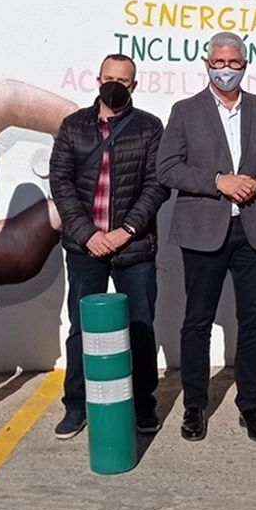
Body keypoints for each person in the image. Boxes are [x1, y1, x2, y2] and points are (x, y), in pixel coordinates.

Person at [158, 32, 256, 442]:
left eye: (234, 62)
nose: (226, 69)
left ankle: (251, 406)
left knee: (254, 322)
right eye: (219, 62)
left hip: (253, 229)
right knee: (197, 321)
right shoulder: (185, 112)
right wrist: (219, 181)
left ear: (245, 65)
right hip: (202, 232)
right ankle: (195, 406)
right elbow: (167, 169)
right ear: (207, 64)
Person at [48, 54, 168, 440]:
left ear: (134, 86)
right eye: (109, 78)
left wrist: (125, 230)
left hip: (133, 248)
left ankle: (143, 404)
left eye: (124, 80)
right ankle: (76, 405)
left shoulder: (150, 127)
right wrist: (88, 234)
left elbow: (157, 184)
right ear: (97, 79)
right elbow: (61, 183)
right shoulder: (72, 127)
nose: (115, 85)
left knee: (140, 327)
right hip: (85, 248)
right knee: (82, 330)